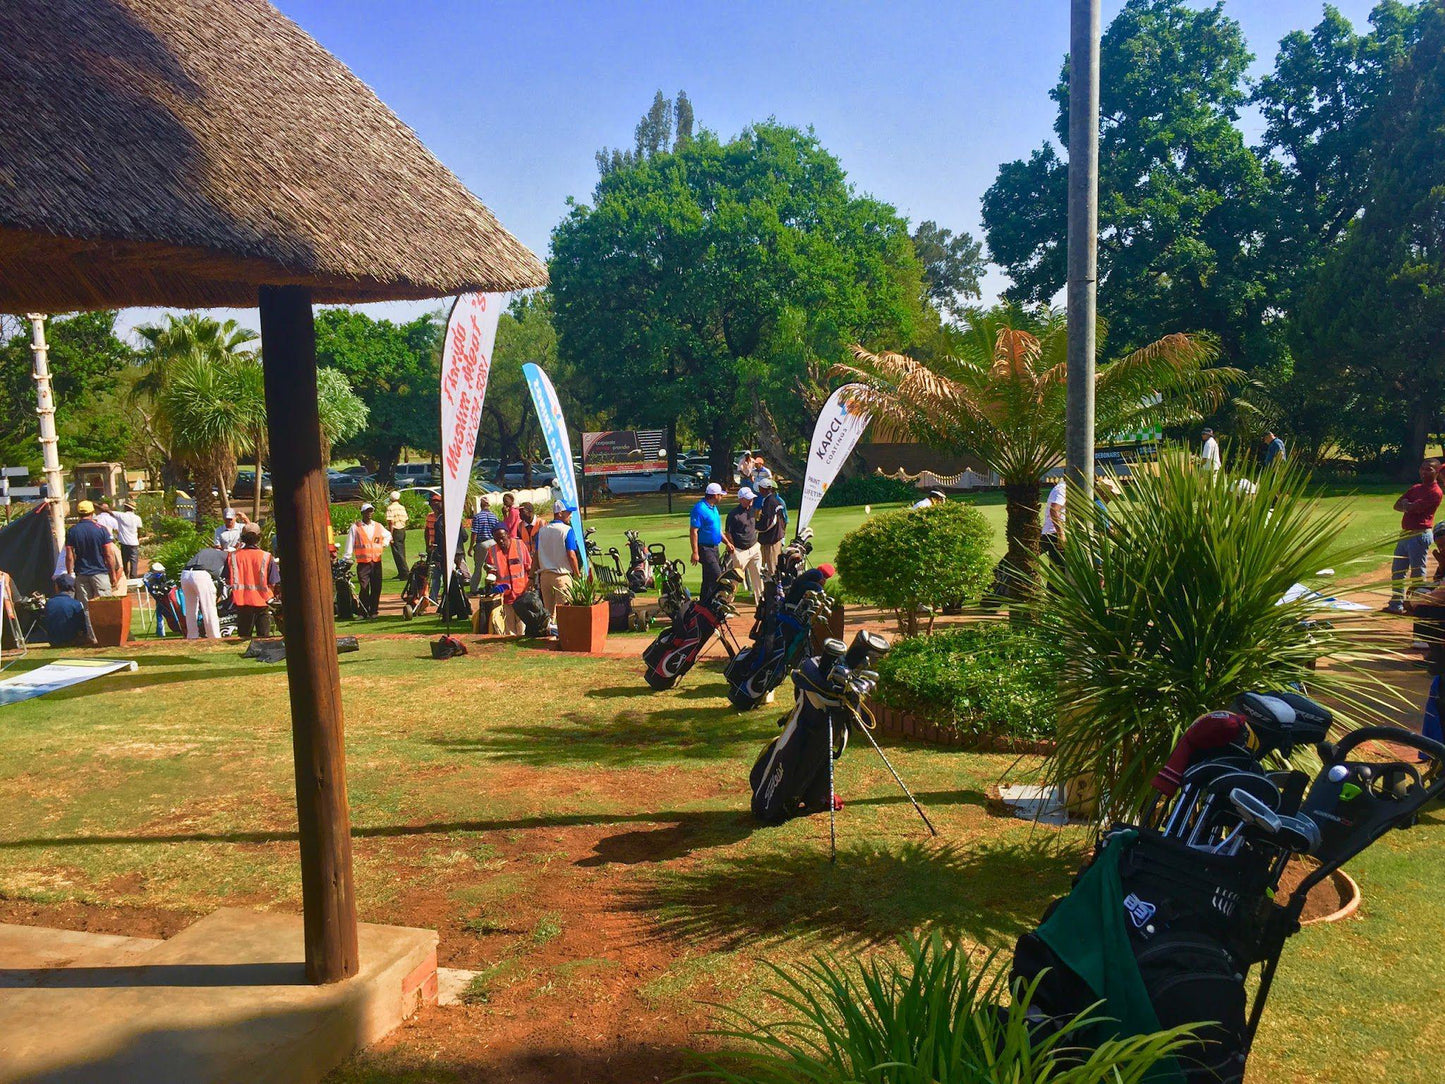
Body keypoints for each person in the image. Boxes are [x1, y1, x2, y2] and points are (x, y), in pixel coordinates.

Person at [1385, 459, 1443, 614]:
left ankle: (1417, 604)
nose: (1424, 472)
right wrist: (1407, 506)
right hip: (1405, 534)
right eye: (1422, 468)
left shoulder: (1436, 492)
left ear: (1437, 472)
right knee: (1397, 571)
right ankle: (1395, 605)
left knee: (1417, 572)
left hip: (1419, 535)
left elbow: (1415, 508)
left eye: (1429, 469)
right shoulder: (1416, 488)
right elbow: (1397, 505)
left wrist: (1407, 505)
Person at [227, 523, 280, 637]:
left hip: (242, 602)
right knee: (264, 640)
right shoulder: (266, 556)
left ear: (243, 537)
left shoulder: (233, 556)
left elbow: (227, 580)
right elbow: (273, 581)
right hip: (262, 601)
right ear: (259, 537)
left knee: (244, 638)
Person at [65, 499, 121, 606]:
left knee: (86, 607)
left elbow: (69, 556)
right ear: (92, 512)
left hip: (81, 573)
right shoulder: (101, 529)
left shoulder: (72, 531)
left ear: (78, 513)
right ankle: (105, 623)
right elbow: (108, 554)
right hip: (100, 572)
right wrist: (113, 574)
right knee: (105, 605)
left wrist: (69, 573)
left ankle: (88, 623)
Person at [345, 503, 392, 618]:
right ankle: (363, 611)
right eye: (367, 511)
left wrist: (384, 544)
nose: (369, 514)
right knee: (364, 587)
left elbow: (388, 535)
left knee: (376, 587)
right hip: (363, 562)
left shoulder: (378, 526)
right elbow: (350, 543)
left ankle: (374, 611)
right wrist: (347, 557)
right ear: (362, 513)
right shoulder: (355, 527)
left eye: (371, 511)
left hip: (376, 561)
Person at [537, 501, 582, 622]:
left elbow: (536, 555)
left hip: (544, 576)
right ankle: (565, 638)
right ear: (560, 513)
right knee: (565, 612)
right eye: (569, 512)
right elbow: (571, 555)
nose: (571, 515)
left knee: (549, 614)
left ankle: (550, 637)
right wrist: (577, 573)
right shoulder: (567, 530)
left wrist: (532, 577)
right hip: (561, 576)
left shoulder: (542, 531)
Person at [485, 524, 532, 635]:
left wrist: (531, 584)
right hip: (505, 596)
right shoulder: (492, 551)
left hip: (522, 593)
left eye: (502, 537)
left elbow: (529, 566)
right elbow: (491, 571)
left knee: (522, 626)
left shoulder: (520, 545)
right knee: (509, 628)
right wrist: (490, 578)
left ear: (508, 535)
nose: (501, 541)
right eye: (497, 539)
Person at [690, 482, 729, 599]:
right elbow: (693, 531)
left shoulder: (713, 508)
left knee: (708, 579)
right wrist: (695, 552)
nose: (721, 497)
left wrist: (727, 543)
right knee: (718, 576)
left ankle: (704, 605)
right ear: (714, 495)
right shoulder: (700, 509)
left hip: (715, 547)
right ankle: (717, 603)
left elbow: (717, 530)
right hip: (705, 548)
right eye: (720, 495)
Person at [726, 487, 764, 598]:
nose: (751, 500)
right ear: (741, 499)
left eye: (751, 498)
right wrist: (733, 548)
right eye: (748, 499)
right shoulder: (733, 514)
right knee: (736, 579)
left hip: (754, 548)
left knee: (758, 577)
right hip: (740, 551)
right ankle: (727, 603)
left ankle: (761, 604)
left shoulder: (752, 510)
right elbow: (728, 532)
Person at [468, 499, 503, 595]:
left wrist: (471, 547)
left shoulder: (477, 517)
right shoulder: (493, 516)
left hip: (482, 543)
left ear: (480, 505)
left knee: (478, 567)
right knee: (493, 567)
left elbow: (474, 532)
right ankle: (492, 586)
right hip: (492, 542)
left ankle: (474, 589)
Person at [43, 575, 89, 647]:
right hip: (71, 640)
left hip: (53, 641)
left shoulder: (49, 603)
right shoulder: (76, 604)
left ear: (57, 587)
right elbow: (83, 626)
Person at [754, 477, 788, 574]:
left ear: (764, 489)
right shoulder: (773, 500)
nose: (759, 490)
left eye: (760, 488)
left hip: (771, 539)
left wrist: (757, 527)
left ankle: (774, 587)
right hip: (773, 537)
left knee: (771, 567)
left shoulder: (770, 501)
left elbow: (769, 522)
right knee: (769, 566)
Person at [179, 562, 221, 639]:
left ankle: (192, 635)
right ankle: (214, 636)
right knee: (209, 607)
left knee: (190, 609)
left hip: (185, 574)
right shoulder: (224, 555)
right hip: (200, 575)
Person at [113, 499, 143, 579]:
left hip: (124, 543)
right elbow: (139, 530)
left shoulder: (121, 516)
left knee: (125, 561)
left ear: (126, 507)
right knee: (134, 562)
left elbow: (109, 512)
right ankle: (133, 578)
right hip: (134, 543)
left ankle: (126, 576)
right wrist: (138, 539)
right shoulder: (137, 518)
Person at [1040, 478, 1066, 567]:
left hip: (1059, 532)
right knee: (1059, 569)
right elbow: (1054, 510)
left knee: (1059, 569)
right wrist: (1061, 534)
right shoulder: (1062, 488)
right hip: (1054, 533)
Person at [384, 491, 409, 580]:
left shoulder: (390, 508)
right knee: (402, 551)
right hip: (402, 529)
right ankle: (401, 572)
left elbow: (390, 522)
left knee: (397, 552)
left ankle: (405, 572)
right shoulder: (402, 507)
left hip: (395, 530)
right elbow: (406, 519)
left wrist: (390, 534)